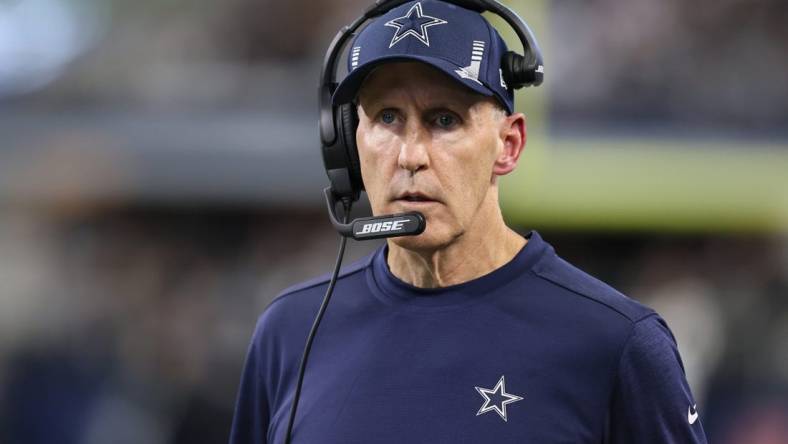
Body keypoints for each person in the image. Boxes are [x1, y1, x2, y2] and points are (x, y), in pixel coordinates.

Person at [230, 1, 708, 442]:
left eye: (444, 120)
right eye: (387, 117)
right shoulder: (290, 331)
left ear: (509, 144)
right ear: (346, 142)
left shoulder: (616, 343)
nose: (410, 154)